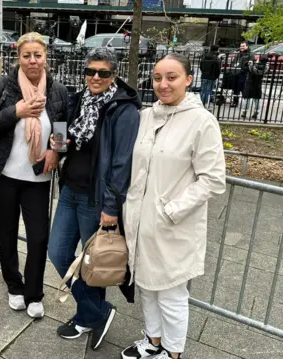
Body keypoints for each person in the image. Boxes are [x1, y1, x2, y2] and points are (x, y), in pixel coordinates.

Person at [121, 53, 226, 359]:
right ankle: (153, 342)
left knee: (171, 292)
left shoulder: (201, 122)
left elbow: (213, 179)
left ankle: (173, 352)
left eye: (171, 77)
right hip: (141, 221)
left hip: (172, 225)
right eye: (157, 78)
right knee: (146, 285)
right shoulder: (145, 116)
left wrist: (172, 210)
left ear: (189, 80)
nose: (163, 84)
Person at [48, 47, 141, 350]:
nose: (95, 77)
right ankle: (98, 312)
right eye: (91, 71)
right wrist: (56, 145)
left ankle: (87, 316)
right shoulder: (79, 100)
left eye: (103, 72)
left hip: (95, 198)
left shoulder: (122, 109)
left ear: (114, 74)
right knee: (58, 252)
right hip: (69, 190)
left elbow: (121, 162)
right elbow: (61, 127)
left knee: (93, 263)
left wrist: (111, 206)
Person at [0, 32, 69, 318]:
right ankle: (14, 286)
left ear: (45, 57)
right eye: (26, 55)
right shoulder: (2, 85)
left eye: (38, 55)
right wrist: (15, 112)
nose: (32, 61)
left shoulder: (57, 90)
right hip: (2, 174)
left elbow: (63, 128)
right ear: (18, 58)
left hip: (38, 178)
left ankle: (34, 293)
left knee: (39, 237)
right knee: (5, 233)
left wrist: (56, 151)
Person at [241, 54, 269, 119]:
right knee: (257, 99)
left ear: (259, 59)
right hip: (258, 84)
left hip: (250, 83)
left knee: (247, 98)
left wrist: (248, 63)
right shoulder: (265, 67)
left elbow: (244, 68)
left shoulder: (252, 65)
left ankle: (244, 112)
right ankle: (256, 112)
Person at [230, 41, 255, 108]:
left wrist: (243, 68)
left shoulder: (250, 54)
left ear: (247, 46)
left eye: (243, 46)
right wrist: (234, 67)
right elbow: (233, 62)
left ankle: (246, 103)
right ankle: (235, 101)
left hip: (244, 74)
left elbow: (251, 64)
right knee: (235, 88)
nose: (241, 47)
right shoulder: (238, 54)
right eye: (241, 46)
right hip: (236, 73)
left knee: (244, 88)